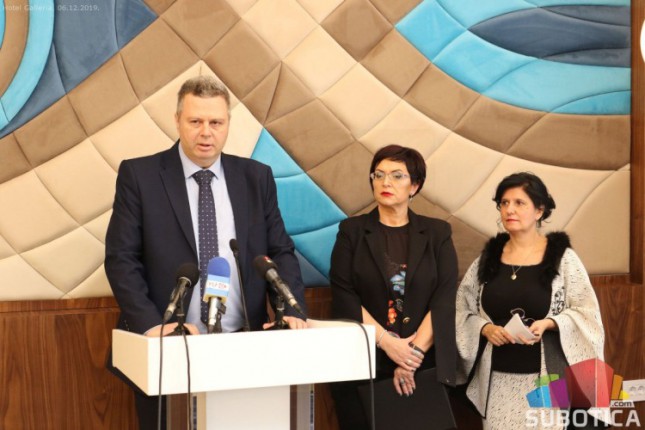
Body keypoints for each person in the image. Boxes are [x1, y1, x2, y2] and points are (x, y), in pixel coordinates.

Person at [104, 75, 307, 429]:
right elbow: (121, 258)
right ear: (177, 121)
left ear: (228, 124)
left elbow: (280, 251)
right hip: (169, 347)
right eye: (195, 121)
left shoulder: (256, 177)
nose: (206, 133)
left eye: (216, 123)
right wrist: (152, 326)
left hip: (244, 347)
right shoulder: (140, 175)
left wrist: (292, 310)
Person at [455, 172, 605, 429]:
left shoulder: (563, 259)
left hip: (549, 377)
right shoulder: (487, 260)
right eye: (504, 203)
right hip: (497, 380)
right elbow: (462, 310)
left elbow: (586, 313)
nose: (509, 210)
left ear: (539, 210)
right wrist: (485, 328)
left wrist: (550, 323)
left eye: (519, 203)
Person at [329, 144, 458, 429]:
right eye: (379, 175)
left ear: (415, 185)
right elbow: (344, 296)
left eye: (397, 176)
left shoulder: (437, 233)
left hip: (423, 364)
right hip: (365, 360)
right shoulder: (351, 231)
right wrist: (388, 344)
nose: (385, 182)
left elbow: (444, 299)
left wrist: (411, 355)